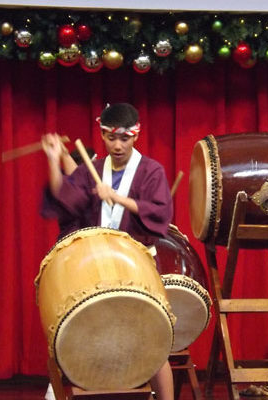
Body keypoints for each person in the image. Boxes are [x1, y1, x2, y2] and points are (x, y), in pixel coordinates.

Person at [41, 103, 174, 400]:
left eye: (124, 139)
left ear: (135, 136)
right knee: (79, 332)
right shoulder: (94, 170)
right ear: (102, 135)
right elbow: (66, 199)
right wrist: (53, 160)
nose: (117, 145)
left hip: (136, 265)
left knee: (152, 342)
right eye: (111, 138)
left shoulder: (151, 170)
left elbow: (159, 212)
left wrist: (117, 197)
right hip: (95, 267)